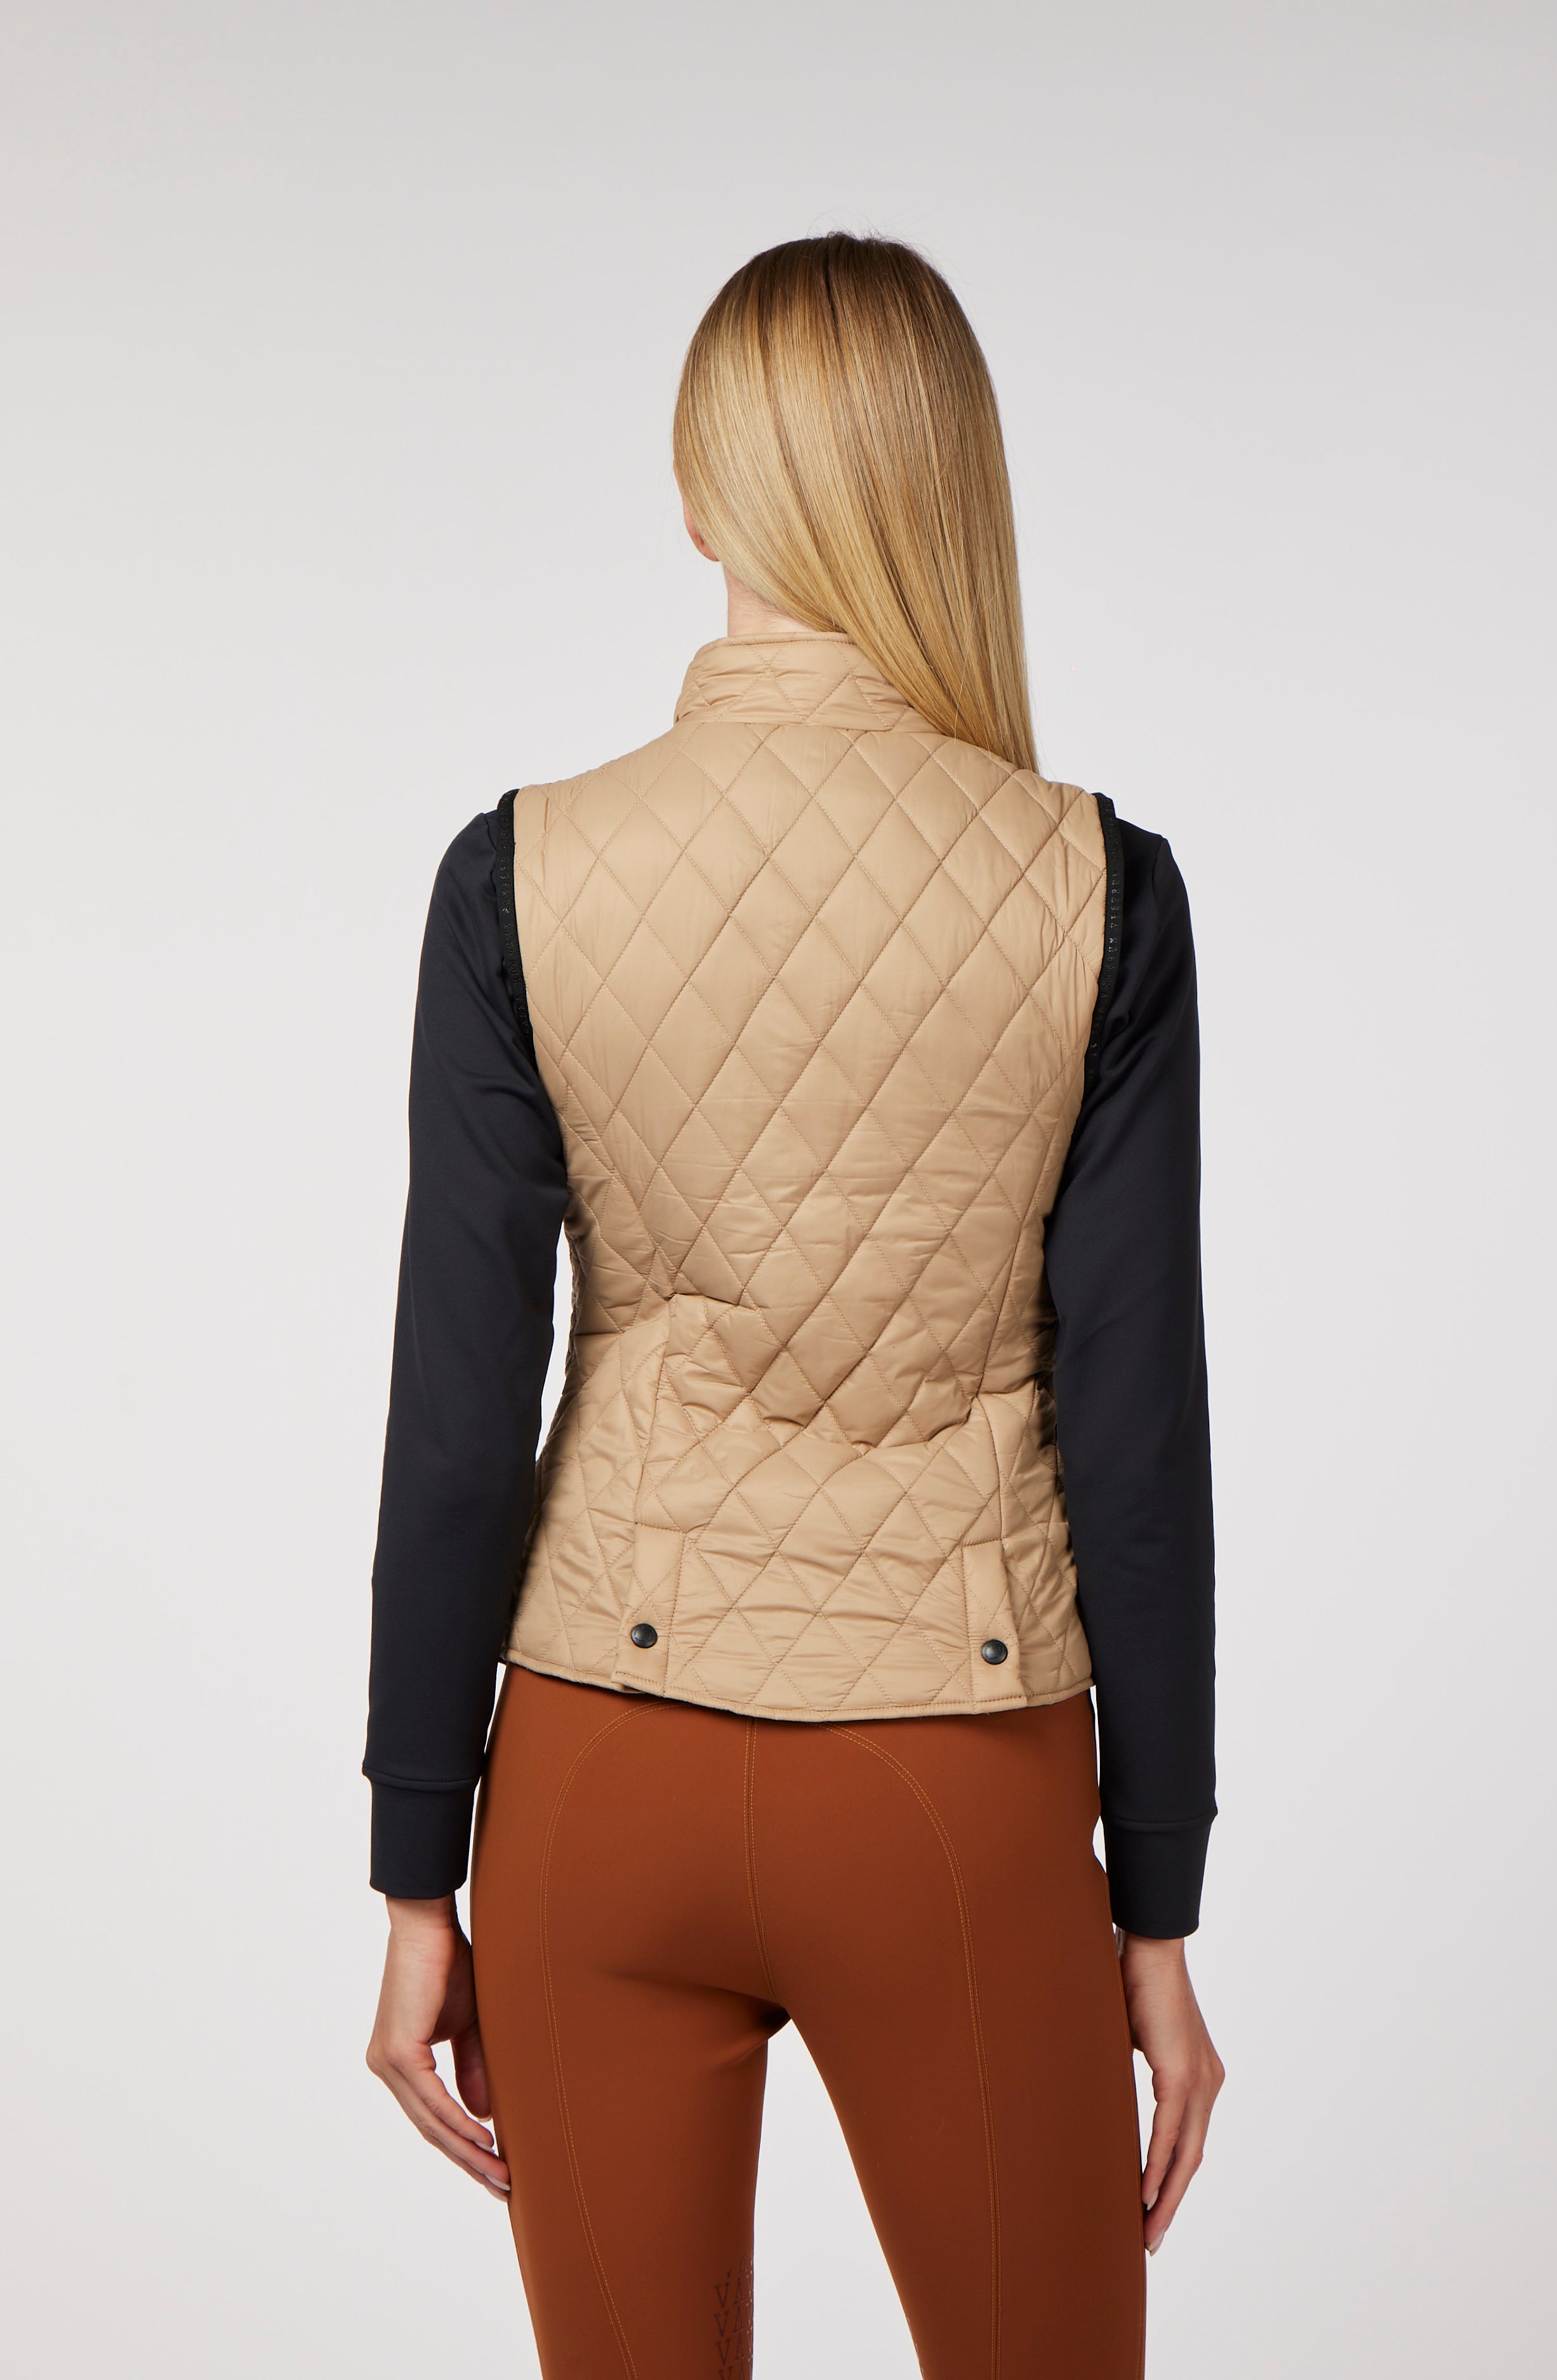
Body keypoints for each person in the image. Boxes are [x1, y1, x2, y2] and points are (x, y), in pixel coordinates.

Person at [363, 232, 1222, 2378]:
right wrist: (1157, 1903)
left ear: (696, 498)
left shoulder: (519, 877)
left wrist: (412, 1867)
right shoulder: (1097, 890)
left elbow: (459, 1423)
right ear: (948, 491)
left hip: (597, 1778)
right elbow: (1135, 1437)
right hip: (958, 1779)